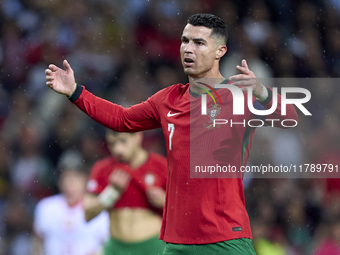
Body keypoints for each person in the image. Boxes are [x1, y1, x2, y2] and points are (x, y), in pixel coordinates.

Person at [45, 13, 298, 255]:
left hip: (226, 237)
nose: (188, 48)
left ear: (220, 51)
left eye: (199, 43)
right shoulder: (168, 99)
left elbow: (291, 118)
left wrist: (261, 92)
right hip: (177, 242)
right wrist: (76, 92)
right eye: (184, 41)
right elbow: (121, 120)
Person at [83, 130, 167, 255]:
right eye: (112, 143)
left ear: (138, 136)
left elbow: (187, 212)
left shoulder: (161, 165)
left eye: (123, 141)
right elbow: (87, 214)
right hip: (117, 247)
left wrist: (165, 201)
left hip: (152, 246)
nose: (117, 149)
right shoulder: (102, 168)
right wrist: (111, 193)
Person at [31, 151, 109, 255]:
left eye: (76, 176)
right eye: (66, 176)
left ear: (85, 179)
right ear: (59, 180)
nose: (71, 182)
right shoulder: (45, 207)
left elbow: (107, 247)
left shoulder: (97, 209)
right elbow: (37, 243)